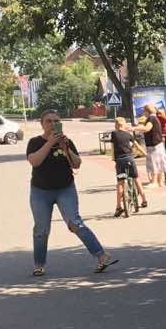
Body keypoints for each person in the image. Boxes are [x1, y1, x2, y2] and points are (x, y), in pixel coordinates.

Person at [25, 109, 113, 277]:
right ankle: (39, 264)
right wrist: (50, 143)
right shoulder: (35, 142)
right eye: (49, 121)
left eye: (56, 121)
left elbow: (77, 164)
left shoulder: (67, 142)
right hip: (40, 191)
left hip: (65, 189)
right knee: (41, 229)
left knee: (75, 223)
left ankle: (101, 256)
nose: (53, 124)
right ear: (42, 124)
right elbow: (35, 161)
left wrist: (65, 148)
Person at [110, 117, 147, 215]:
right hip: (130, 159)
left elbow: (113, 147)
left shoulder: (114, 134)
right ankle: (144, 199)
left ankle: (119, 206)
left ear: (116, 125)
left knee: (120, 183)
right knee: (136, 178)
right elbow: (136, 145)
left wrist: (113, 158)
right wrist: (144, 153)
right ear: (124, 125)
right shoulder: (128, 134)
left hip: (120, 161)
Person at [140, 105, 166, 187]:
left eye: (144, 111)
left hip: (153, 145)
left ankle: (154, 182)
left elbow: (147, 128)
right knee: (159, 163)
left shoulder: (151, 118)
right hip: (158, 144)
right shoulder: (155, 117)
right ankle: (160, 182)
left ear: (147, 111)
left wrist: (135, 128)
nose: (143, 113)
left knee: (154, 163)